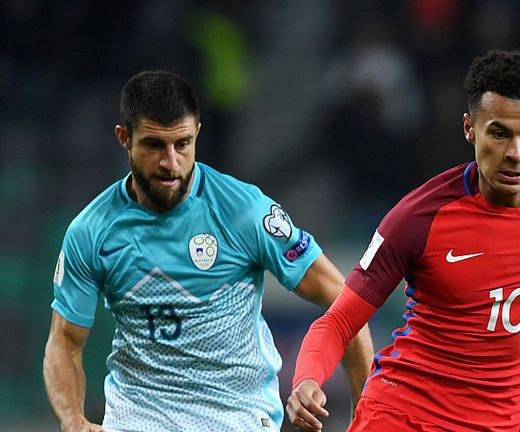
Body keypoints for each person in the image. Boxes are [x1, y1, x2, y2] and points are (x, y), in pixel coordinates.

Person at [286, 49, 520, 432]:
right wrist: (307, 379)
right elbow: (340, 320)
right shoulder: (418, 217)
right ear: (469, 128)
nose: (516, 153)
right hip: (405, 418)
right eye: (499, 134)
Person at [42, 71, 374, 432]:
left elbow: (346, 304)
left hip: (236, 416)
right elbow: (65, 341)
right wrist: (72, 420)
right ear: (125, 138)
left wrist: (365, 422)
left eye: (182, 144)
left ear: (197, 134)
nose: (170, 162)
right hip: (136, 418)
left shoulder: (244, 211)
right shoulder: (91, 231)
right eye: (154, 145)